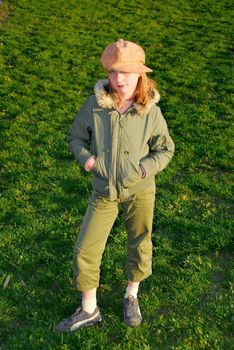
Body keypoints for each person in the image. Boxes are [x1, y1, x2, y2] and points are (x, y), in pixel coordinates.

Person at [55, 39, 175, 332]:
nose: (118, 79)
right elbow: (75, 137)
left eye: (126, 72)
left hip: (140, 191)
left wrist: (145, 169)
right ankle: (89, 309)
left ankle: (131, 296)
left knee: (140, 241)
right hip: (103, 190)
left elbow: (165, 148)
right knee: (85, 248)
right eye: (112, 72)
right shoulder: (95, 105)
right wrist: (88, 161)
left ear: (139, 74)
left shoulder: (150, 110)